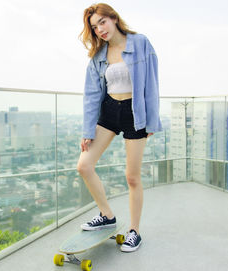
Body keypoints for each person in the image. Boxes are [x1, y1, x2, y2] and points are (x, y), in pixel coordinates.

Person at [76, 3, 162, 253]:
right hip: (109, 111)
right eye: (94, 27)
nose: (100, 29)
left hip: (136, 114)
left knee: (132, 177)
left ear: (113, 18)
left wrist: (152, 120)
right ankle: (107, 215)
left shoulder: (140, 43)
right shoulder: (98, 56)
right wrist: (87, 130)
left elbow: (152, 84)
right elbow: (91, 96)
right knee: (84, 165)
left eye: (102, 22)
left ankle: (134, 231)